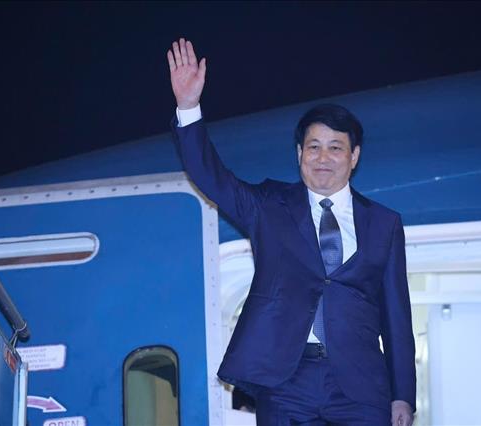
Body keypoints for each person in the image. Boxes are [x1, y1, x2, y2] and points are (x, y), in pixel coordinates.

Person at [168, 38, 416, 426]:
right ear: (299, 153)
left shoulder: (384, 223)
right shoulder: (269, 206)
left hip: (361, 385)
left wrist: (403, 394)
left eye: (335, 148)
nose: (323, 157)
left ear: (354, 157)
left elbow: (397, 315)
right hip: (286, 380)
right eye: (313, 147)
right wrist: (188, 107)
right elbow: (211, 177)